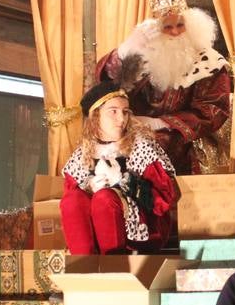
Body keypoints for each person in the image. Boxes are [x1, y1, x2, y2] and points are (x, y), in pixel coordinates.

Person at [94, 0, 232, 175]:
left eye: (180, 25)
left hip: (186, 140)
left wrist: (161, 123)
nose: (175, 32)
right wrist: (125, 51)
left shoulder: (209, 63)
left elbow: (213, 110)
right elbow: (106, 87)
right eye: (168, 27)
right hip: (132, 131)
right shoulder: (144, 56)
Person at [60, 81, 180, 255]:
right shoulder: (81, 155)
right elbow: (73, 204)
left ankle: (113, 267)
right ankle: (84, 266)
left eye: (125, 112)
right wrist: (88, 188)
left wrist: (125, 181)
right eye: (113, 112)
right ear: (95, 116)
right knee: (72, 200)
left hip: (143, 228)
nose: (122, 119)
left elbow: (163, 200)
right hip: (97, 229)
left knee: (104, 199)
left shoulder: (141, 147)